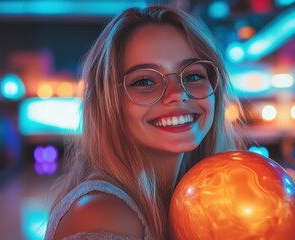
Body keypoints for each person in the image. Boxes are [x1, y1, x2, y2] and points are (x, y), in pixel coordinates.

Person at [44, 5, 246, 240]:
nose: (177, 93)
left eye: (193, 76)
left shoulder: (194, 202)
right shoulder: (102, 214)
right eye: (144, 82)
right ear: (110, 103)